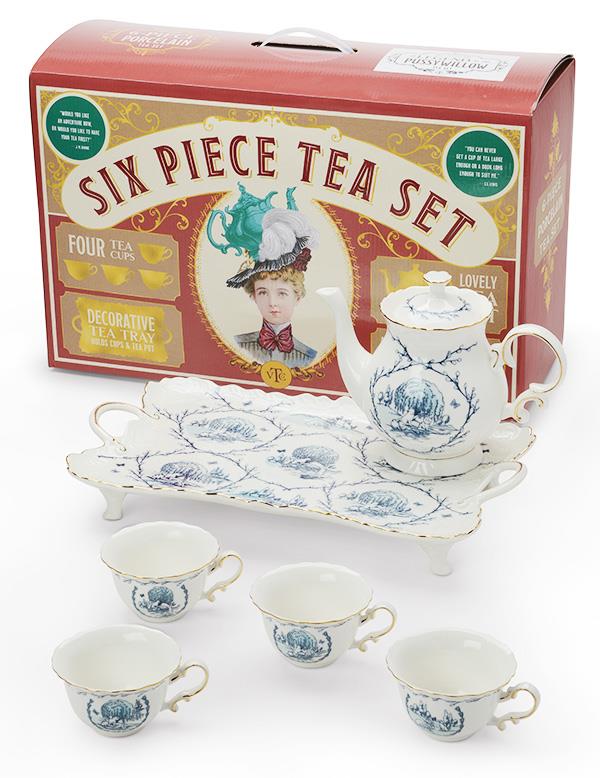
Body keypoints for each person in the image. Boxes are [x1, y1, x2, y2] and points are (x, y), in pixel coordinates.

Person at [212, 186, 319, 368]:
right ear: (253, 295)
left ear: (298, 297)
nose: (272, 303)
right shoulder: (239, 346)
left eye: (282, 293)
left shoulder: (308, 356)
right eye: (263, 292)